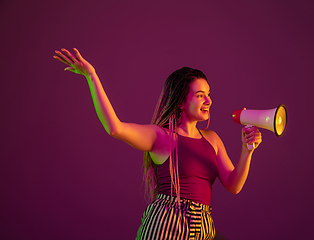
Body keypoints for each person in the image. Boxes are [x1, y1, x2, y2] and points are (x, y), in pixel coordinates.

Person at [53, 48, 262, 240]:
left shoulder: (212, 139)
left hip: (204, 226)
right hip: (167, 224)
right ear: (181, 101)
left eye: (208, 95)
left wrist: (246, 150)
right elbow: (115, 127)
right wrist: (91, 76)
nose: (208, 101)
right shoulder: (162, 137)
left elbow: (234, 185)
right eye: (200, 96)